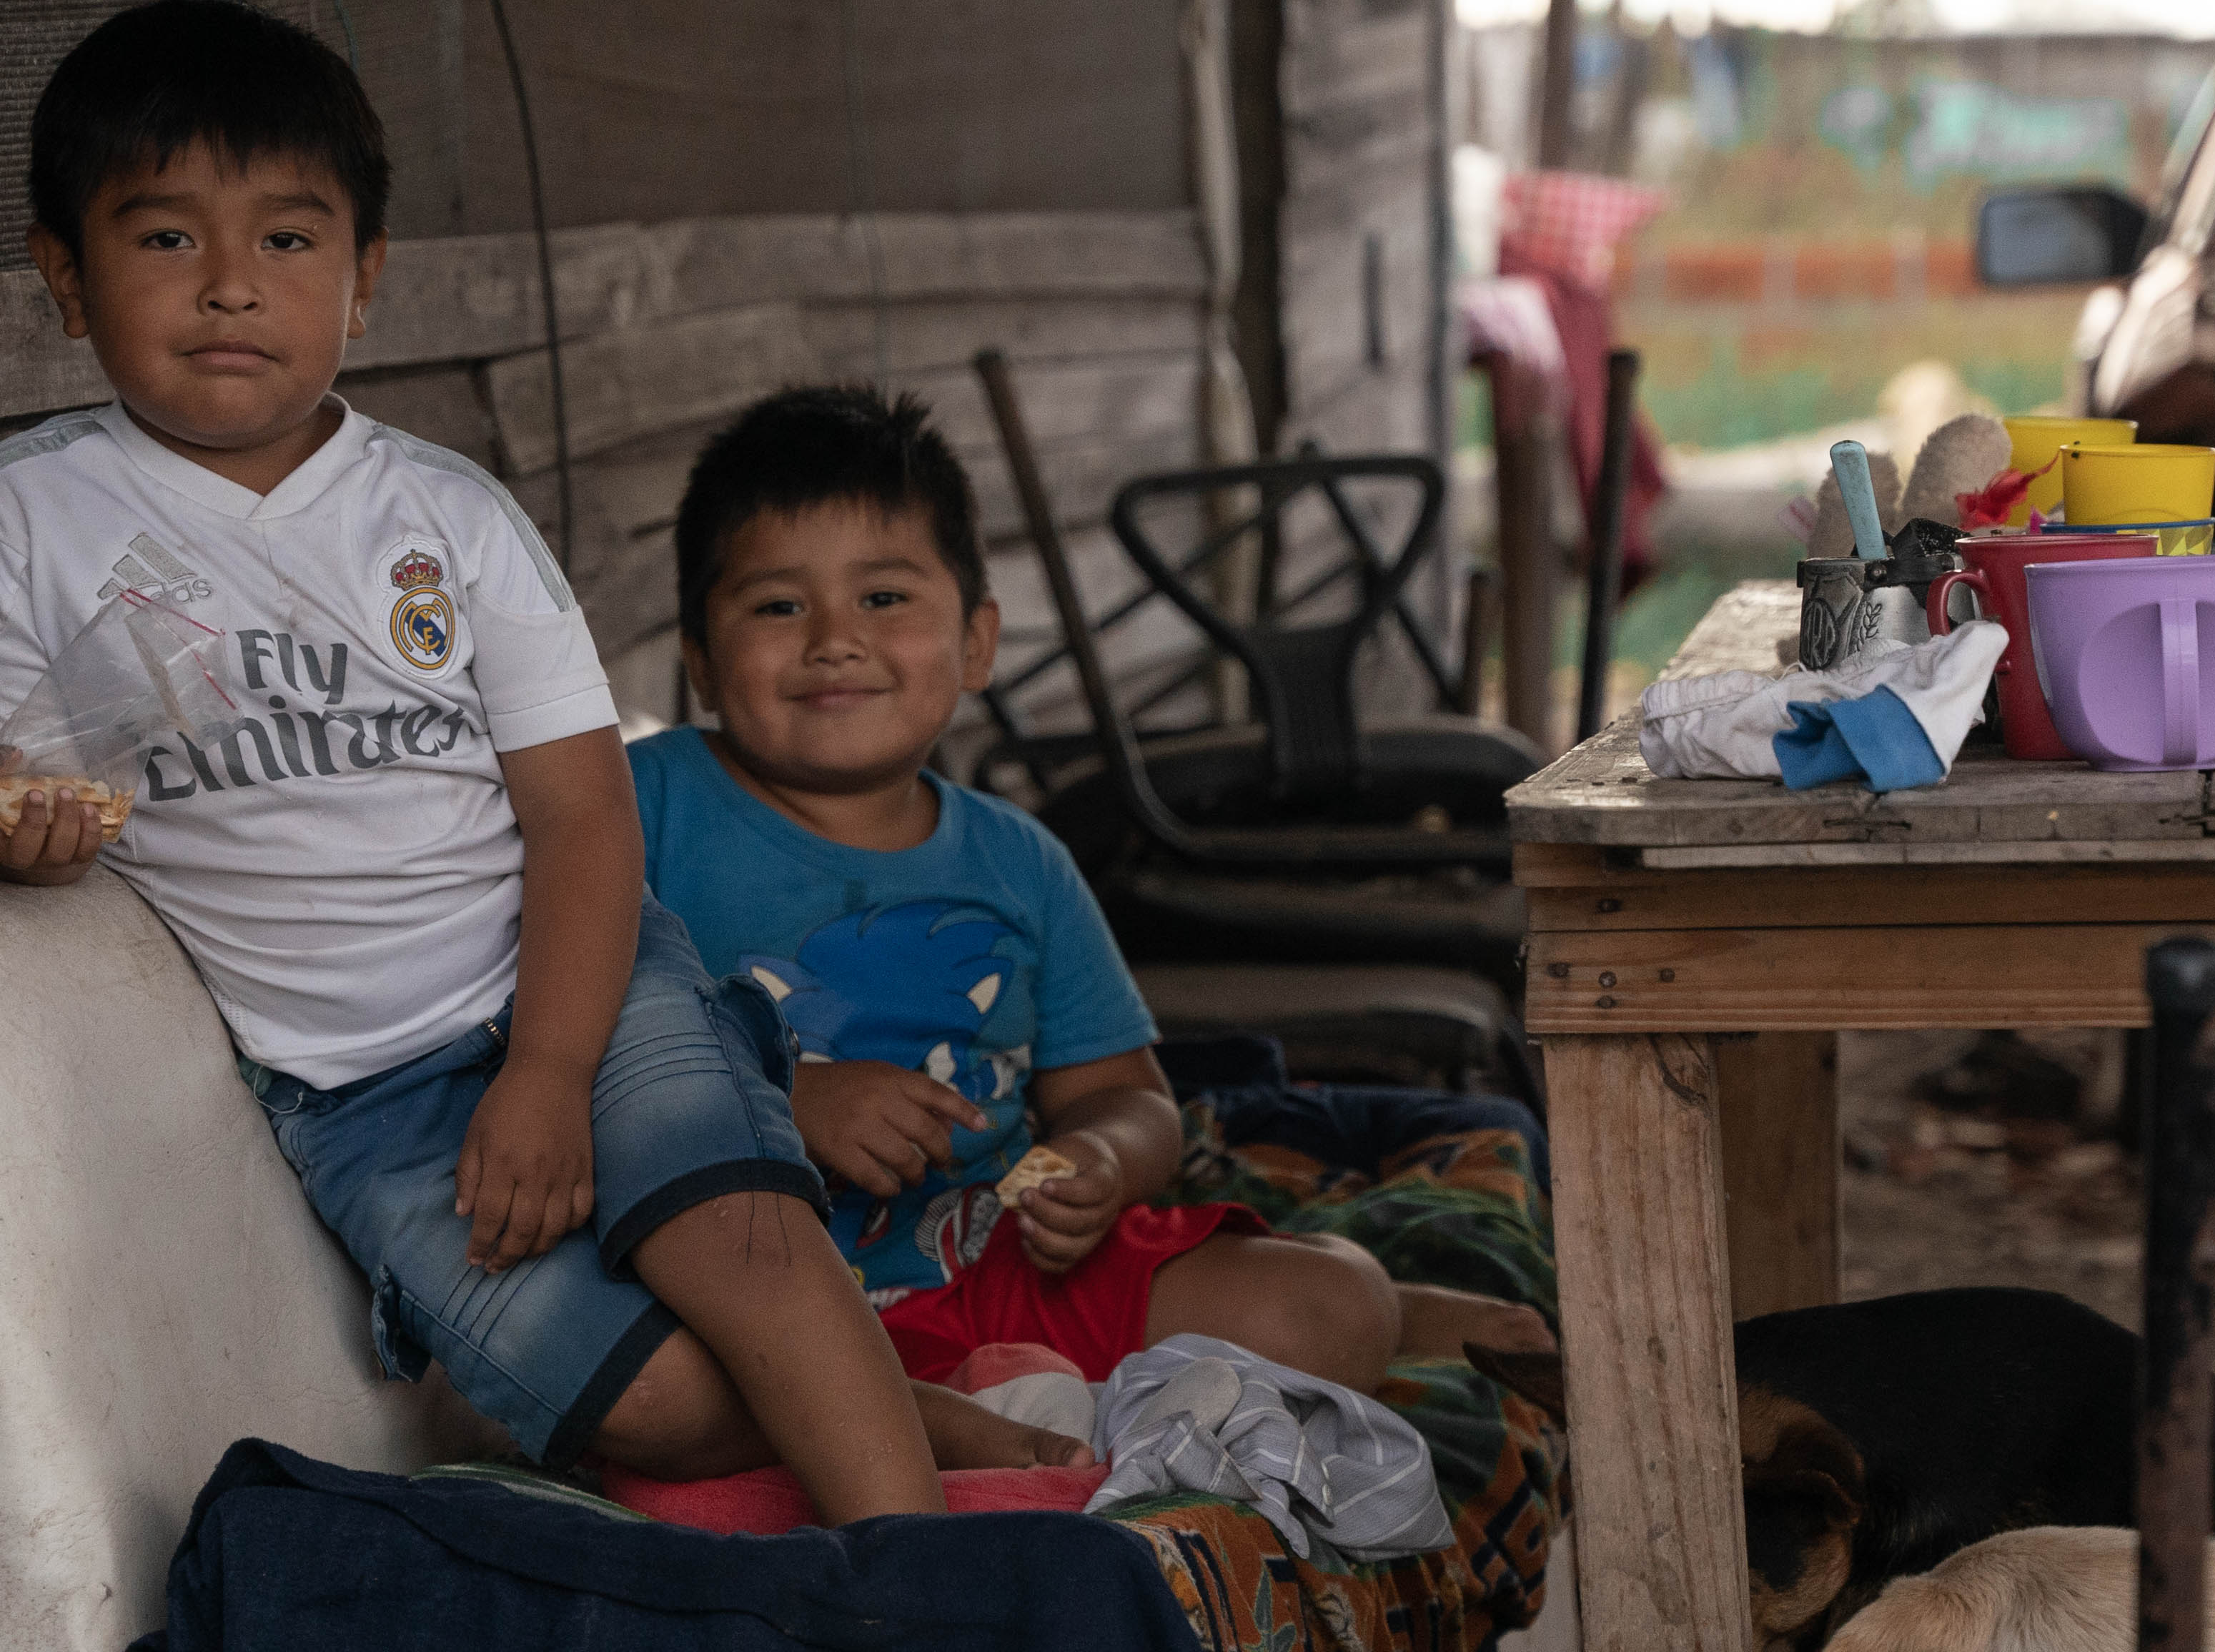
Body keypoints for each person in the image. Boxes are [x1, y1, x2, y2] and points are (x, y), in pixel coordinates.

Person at [0, 0, 1056, 1522]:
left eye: (286, 240)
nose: (229, 289)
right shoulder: (35, 515)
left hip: (572, 977)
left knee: (737, 1238)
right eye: (164, 240)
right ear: (66, 277)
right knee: (643, 1402)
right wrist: (16, 832)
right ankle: (888, 1405)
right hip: (356, 1090)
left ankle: (929, 1586)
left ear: (365, 279)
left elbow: (586, 818)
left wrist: (550, 1065)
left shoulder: (445, 519)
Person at [638, 384, 1549, 1393]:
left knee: (1325, 1306)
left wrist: (1099, 1166)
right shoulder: (642, 813)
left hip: (1000, 1262)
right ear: (701, 662)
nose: (832, 639)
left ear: (976, 640)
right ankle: (980, 1423)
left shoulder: (1018, 861)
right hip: (744, 1303)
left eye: (884, 598)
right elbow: (542, 1040)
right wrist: (777, 1098)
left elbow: (1127, 1099)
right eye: (777, 605)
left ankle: (1377, 1318)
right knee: (654, 1396)